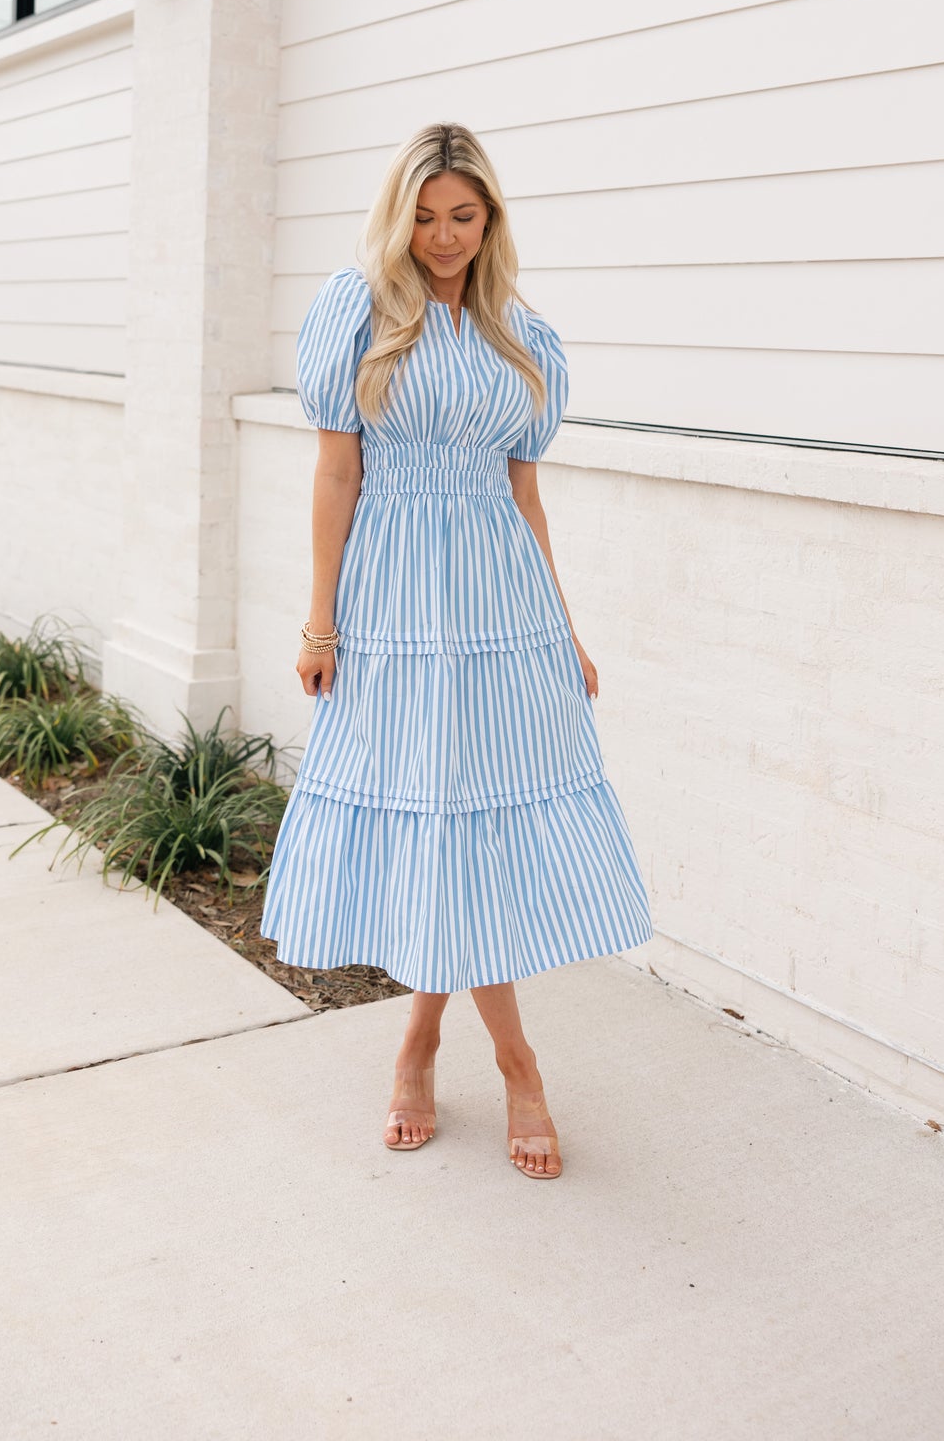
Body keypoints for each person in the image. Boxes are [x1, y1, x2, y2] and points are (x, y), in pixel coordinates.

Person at [259, 123, 654, 1179]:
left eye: (463, 216)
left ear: (490, 219)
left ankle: (432, 1040)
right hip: (393, 602)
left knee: (475, 828)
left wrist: (563, 629)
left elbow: (526, 493)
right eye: (425, 215)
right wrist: (318, 618)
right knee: (433, 816)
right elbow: (336, 475)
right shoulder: (357, 311)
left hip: (502, 609)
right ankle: (508, 1058)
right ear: (400, 216)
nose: (442, 236)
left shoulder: (523, 331)